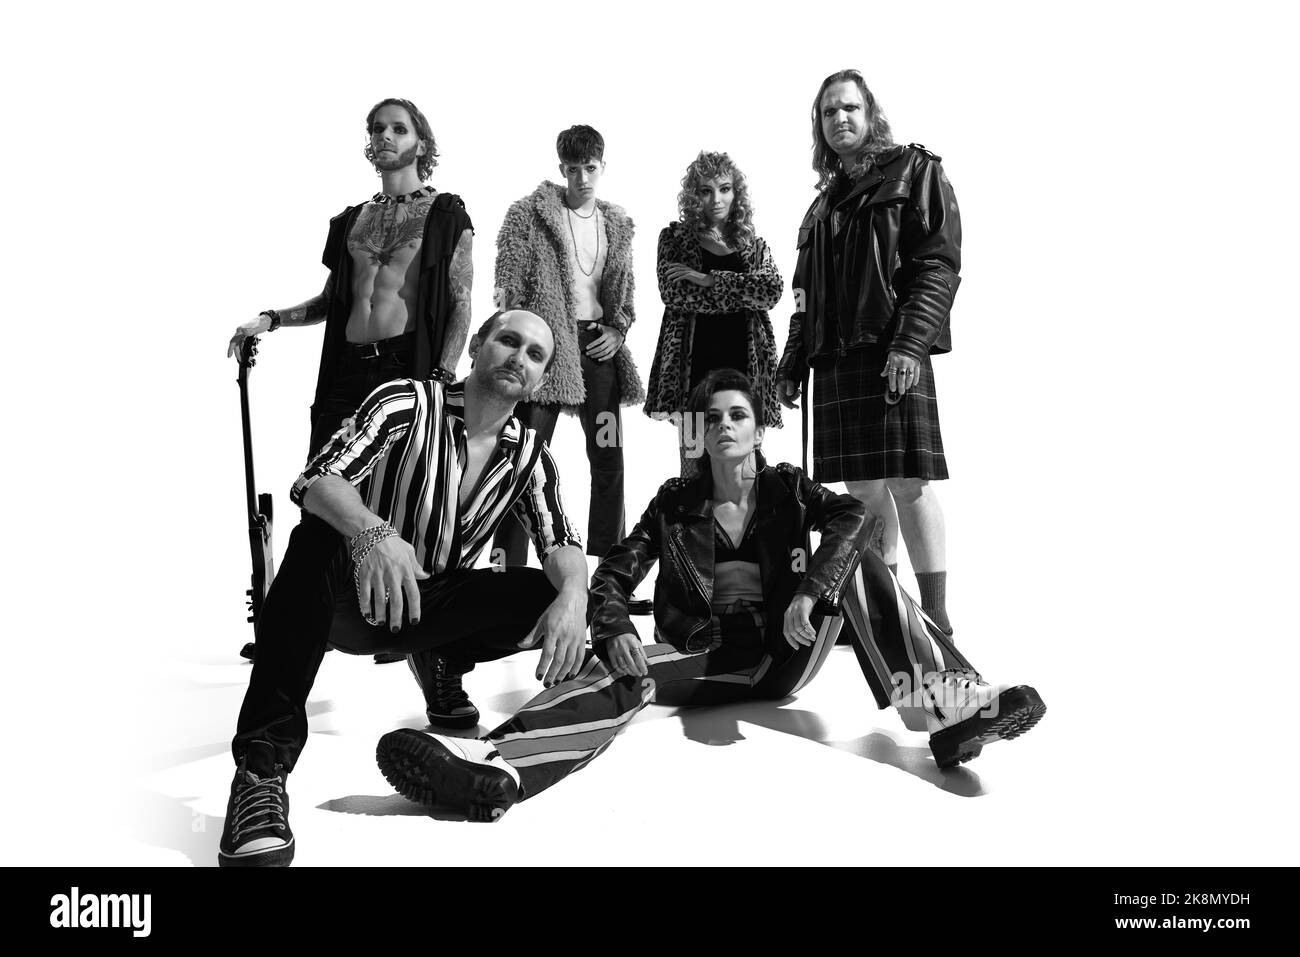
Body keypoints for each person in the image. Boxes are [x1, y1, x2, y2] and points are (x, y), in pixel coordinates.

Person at [375, 370, 1045, 821]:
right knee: (619, 670)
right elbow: (613, 575)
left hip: (788, 649)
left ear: (758, 428)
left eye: (738, 414)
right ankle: (497, 768)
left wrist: (808, 592)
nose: (724, 424)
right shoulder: (675, 501)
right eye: (712, 417)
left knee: (858, 555)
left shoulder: (788, 487)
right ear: (699, 434)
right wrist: (612, 629)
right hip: (707, 656)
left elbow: (853, 518)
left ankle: (950, 711)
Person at [218, 310, 590, 867]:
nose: (519, 357)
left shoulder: (530, 454)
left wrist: (575, 597)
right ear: (476, 346)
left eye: (535, 354)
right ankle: (260, 773)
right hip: (351, 594)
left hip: (428, 606)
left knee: (549, 595)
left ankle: (442, 667)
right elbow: (317, 478)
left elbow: (560, 541)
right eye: (508, 341)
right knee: (318, 532)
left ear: (540, 378)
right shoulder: (406, 402)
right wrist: (373, 531)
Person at [225, 98, 473, 662]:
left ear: (421, 143)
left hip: (405, 371)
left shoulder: (446, 213)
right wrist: (271, 319)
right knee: (323, 498)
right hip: (344, 373)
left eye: (397, 128)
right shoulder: (351, 220)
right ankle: (298, 626)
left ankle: (419, 639)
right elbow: (333, 301)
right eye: (376, 129)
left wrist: (440, 377)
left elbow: (461, 300)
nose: (384, 136)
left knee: (409, 499)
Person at [777, 70, 960, 635]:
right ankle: (890, 608)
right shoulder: (818, 209)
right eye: (828, 113)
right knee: (861, 492)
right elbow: (804, 299)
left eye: (849, 108)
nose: (840, 120)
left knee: (908, 483)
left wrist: (911, 342)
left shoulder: (914, 170)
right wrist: (792, 360)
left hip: (889, 348)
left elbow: (937, 264)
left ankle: (935, 616)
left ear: (870, 112)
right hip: (833, 361)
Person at [490, 125, 644, 568]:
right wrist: (516, 342)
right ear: (562, 169)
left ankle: (609, 573)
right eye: (573, 169)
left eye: (590, 168)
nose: (582, 178)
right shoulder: (529, 214)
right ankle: (508, 573)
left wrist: (620, 329)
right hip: (545, 349)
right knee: (521, 459)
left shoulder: (616, 222)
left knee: (608, 458)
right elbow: (508, 281)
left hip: (597, 349)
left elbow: (624, 293)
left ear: (603, 167)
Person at [645, 151, 784, 471]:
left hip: (747, 376)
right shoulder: (675, 240)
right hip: (690, 378)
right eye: (706, 191)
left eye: (724, 189)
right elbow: (676, 294)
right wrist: (740, 290)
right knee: (692, 471)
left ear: (737, 193)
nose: (716, 199)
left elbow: (771, 290)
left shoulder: (754, 245)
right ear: (695, 196)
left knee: (747, 473)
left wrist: (710, 279)